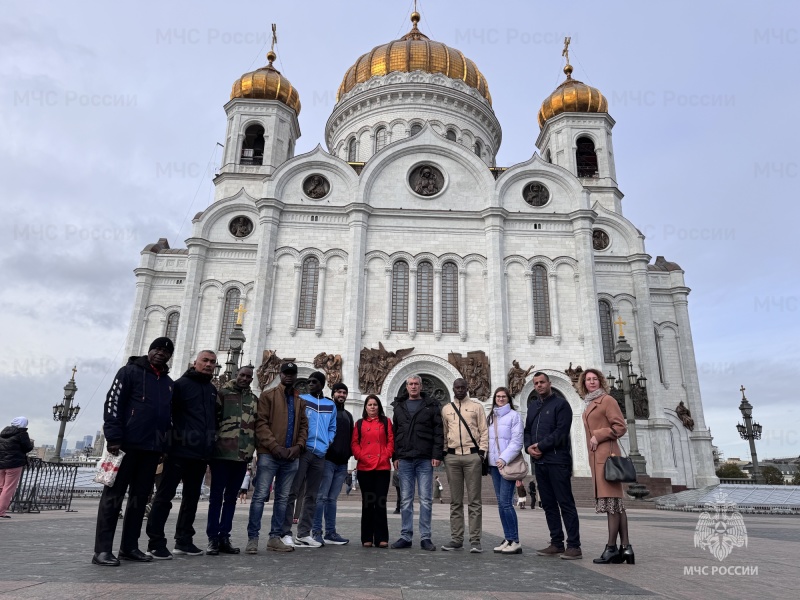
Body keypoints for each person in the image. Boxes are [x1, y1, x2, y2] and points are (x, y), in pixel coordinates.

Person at [92, 337, 174, 566]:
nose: (161, 353)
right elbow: (113, 403)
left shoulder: (168, 383)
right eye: (157, 349)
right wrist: (114, 436)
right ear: (149, 351)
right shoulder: (128, 372)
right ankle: (102, 551)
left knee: (139, 500)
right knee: (113, 498)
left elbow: (167, 418)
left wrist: (164, 446)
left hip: (151, 449)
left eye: (166, 351)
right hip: (125, 446)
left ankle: (129, 546)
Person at [147, 350, 218, 560]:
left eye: (212, 362)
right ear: (194, 362)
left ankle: (184, 540)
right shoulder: (180, 385)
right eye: (205, 360)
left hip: (200, 454)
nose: (209, 364)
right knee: (164, 497)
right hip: (178, 451)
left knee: (192, 499)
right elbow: (166, 415)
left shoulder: (212, 390)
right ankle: (155, 542)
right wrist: (168, 443)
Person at [246, 362, 308, 553]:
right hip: (269, 455)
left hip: (290, 456)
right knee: (259, 496)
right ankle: (253, 538)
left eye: (292, 373)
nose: (289, 376)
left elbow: (304, 427)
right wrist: (274, 447)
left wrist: (298, 447)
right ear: (280, 374)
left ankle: (275, 537)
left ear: (296, 376)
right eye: (286, 373)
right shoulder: (268, 395)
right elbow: (261, 424)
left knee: (282, 499)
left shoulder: (300, 400)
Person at [578, 369, 633, 565]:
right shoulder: (590, 403)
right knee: (617, 505)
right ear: (584, 383)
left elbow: (620, 427)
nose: (591, 382)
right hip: (598, 459)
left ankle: (611, 548)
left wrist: (598, 435)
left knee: (612, 505)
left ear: (600, 381)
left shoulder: (607, 400)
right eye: (588, 380)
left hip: (607, 459)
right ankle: (626, 548)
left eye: (594, 379)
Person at [524, 372, 582, 560]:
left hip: (558, 461)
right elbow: (527, 431)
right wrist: (528, 448)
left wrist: (540, 446)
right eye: (536, 383)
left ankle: (574, 545)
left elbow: (561, 432)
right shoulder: (533, 407)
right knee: (548, 504)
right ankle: (556, 542)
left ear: (549, 384)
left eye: (542, 382)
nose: (539, 385)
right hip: (540, 462)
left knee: (565, 502)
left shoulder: (561, 405)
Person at [205, 365, 258, 556]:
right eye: (242, 375)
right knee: (216, 498)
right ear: (237, 375)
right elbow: (212, 420)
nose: (245, 378)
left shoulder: (253, 400)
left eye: (248, 376)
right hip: (221, 454)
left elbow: (256, 426)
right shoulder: (223, 394)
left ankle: (224, 536)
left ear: (252, 379)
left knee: (231, 500)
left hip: (242, 456)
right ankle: (212, 537)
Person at [280, 371, 337, 548]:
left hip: (320, 453)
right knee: (293, 492)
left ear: (322, 384)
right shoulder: (302, 399)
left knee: (312, 495)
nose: (310, 384)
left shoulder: (330, 405)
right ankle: (285, 532)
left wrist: (328, 442)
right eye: (309, 381)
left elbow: (333, 427)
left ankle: (304, 534)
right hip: (303, 451)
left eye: (314, 382)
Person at [390, 374, 443, 551]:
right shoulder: (399, 406)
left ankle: (426, 537)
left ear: (421, 386)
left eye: (416, 384)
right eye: (410, 384)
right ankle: (406, 536)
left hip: (424, 459)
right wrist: (395, 457)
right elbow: (395, 433)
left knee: (426, 499)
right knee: (405, 500)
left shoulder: (431, 406)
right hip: (404, 459)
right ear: (406, 387)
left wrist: (437, 455)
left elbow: (438, 432)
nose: (413, 387)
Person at [440, 378, 488, 553]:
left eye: (462, 387)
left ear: (467, 389)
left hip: (472, 456)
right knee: (455, 501)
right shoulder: (446, 409)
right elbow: (444, 432)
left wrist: (482, 453)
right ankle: (456, 539)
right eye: (457, 387)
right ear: (453, 389)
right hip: (452, 458)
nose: (460, 390)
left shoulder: (477, 407)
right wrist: (445, 452)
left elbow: (484, 430)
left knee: (475, 501)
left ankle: (475, 540)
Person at [312, 382, 354, 546]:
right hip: (328, 460)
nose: (341, 395)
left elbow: (350, 437)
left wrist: (349, 455)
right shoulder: (327, 411)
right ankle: (316, 532)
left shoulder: (349, 415)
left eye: (344, 392)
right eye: (338, 392)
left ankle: (330, 532)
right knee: (321, 497)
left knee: (332, 499)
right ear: (333, 393)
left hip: (342, 463)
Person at [351, 394, 394, 547]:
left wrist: (386, 455)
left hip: (382, 466)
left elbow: (391, 441)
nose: (372, 407)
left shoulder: (386, 422)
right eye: (369, 405)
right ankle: (367, 537)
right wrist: (361, 456)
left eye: (375, 404)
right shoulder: (359, 424)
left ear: (379, 407)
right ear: (365, 407)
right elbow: (354, 443)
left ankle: (382, 537)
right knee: (368, 503)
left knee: (380, 502)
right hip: (365, 467)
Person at [486, 387, 523, 554]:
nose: (500, 399)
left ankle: (515, 540)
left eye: (503, 396)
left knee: (507, 503)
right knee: (501, 504)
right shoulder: (491, 417)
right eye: (498, 396)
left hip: (506, 464)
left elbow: (517, 441)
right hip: (494, 465)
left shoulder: (514, 416)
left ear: (509, 399)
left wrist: (504, 458)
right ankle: (508, 538)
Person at [0, 417, 34, 519]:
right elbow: (27, 447)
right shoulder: (22, 434)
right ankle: (1, 511)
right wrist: (31, 443)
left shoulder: (3, 433)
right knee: (8, 488)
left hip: (1, 464)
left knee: (1, 487)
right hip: (14, 464)